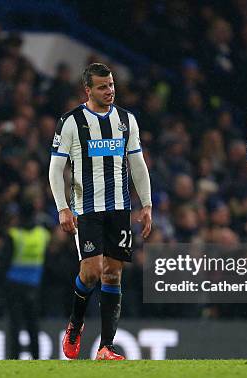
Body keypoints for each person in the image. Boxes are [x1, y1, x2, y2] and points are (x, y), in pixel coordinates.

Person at [48, 63, 152, 360]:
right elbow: (56, 168)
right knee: (91, 272)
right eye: (102, 87)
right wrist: (63, 208)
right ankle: (76, 324)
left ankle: (106, 346)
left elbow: (137, 163)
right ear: (88, 90)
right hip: (87, 210)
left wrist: (146, 204)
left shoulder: (125, 120)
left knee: (113, 274)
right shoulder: (71, 121)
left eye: (111, 85)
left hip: (120, 207)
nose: (109, 91)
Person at [3, 202, 51, 359]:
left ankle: (14, 357)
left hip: (14, 285)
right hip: (34, 286)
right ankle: (36, 357)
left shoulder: (14, 235)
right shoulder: (43, 235)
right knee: (33, 325)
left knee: (15, 325)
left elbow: (5, 261)